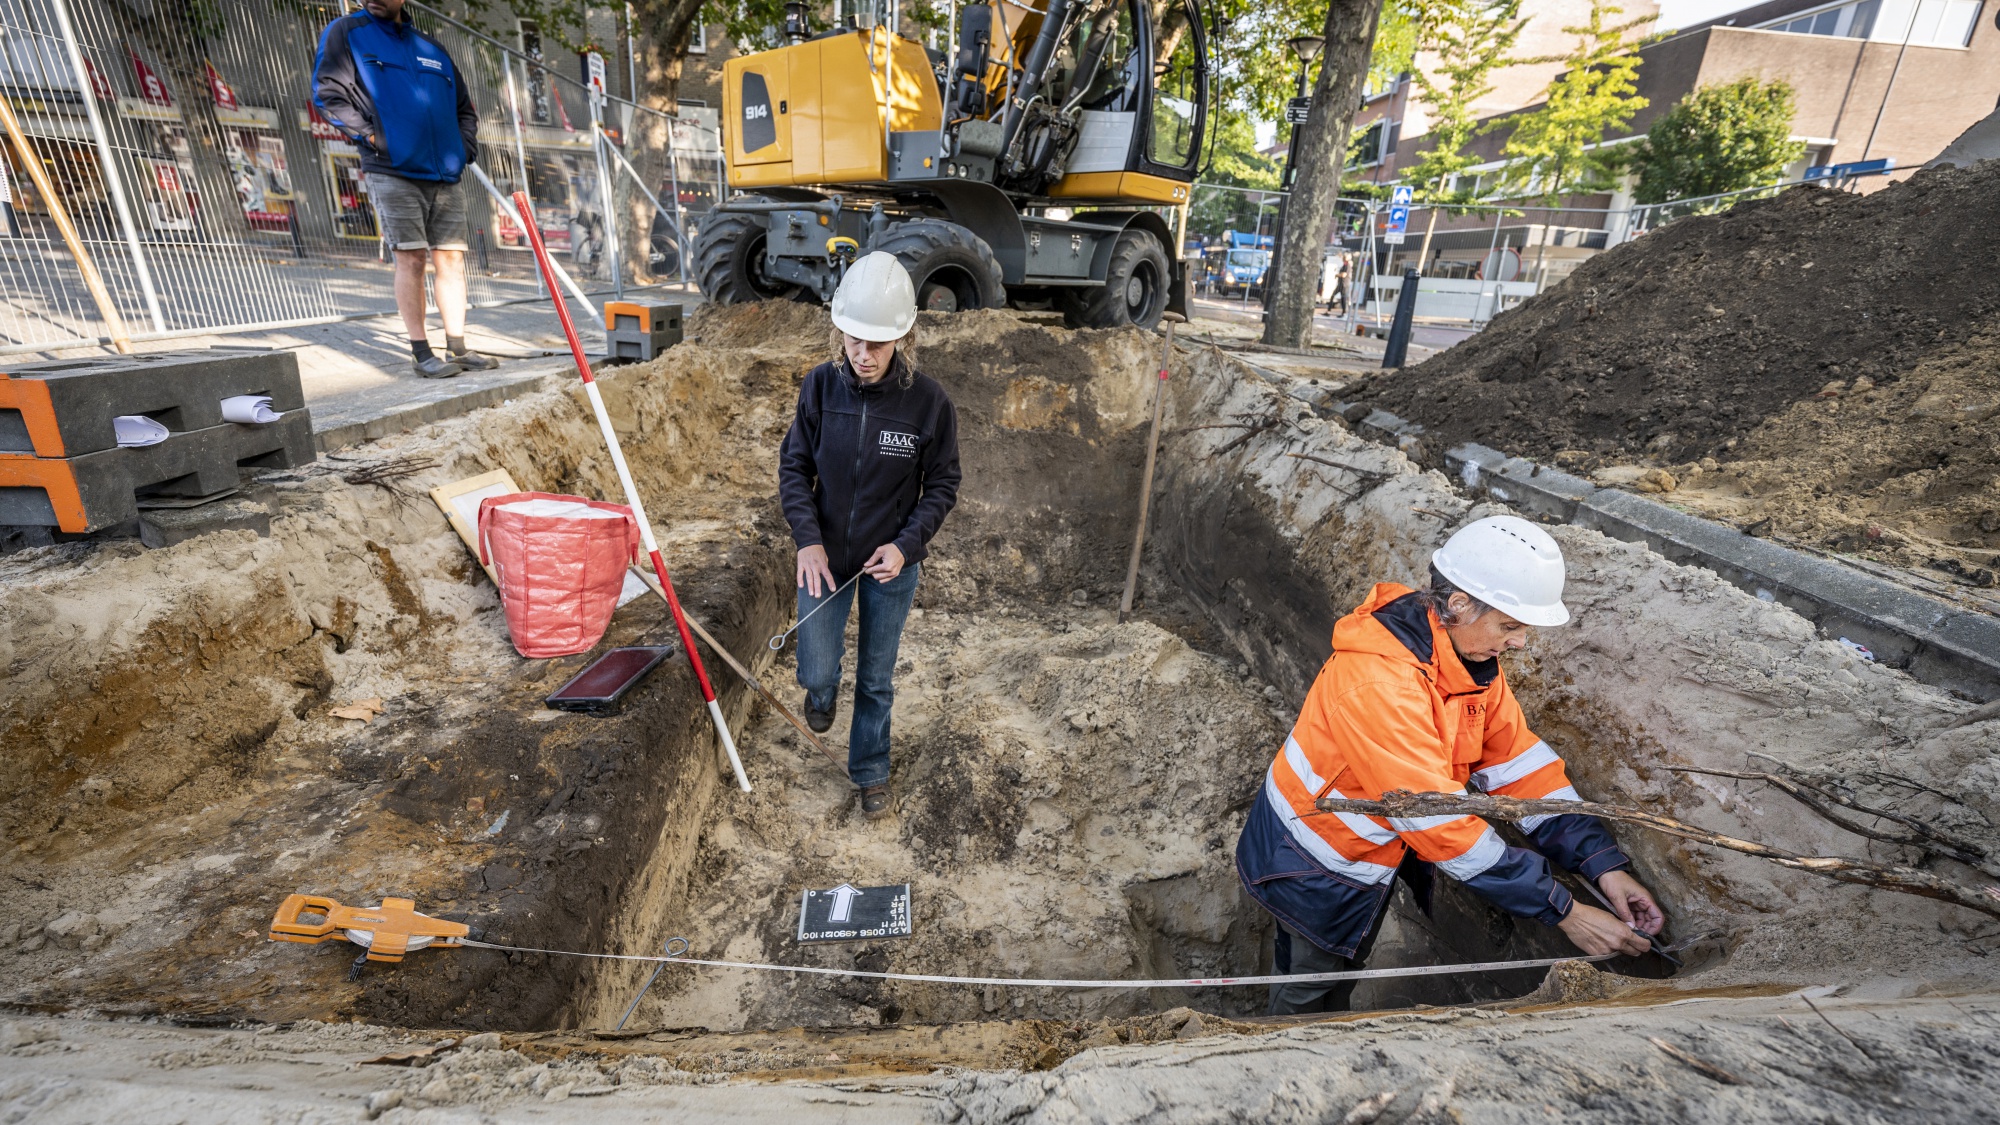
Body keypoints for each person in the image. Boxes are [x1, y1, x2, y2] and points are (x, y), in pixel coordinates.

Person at [1236, 515, 1665, 1015]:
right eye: (1509, 625)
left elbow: (1520, 770)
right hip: (1314, 860)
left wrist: (1604, 866)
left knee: (1331, 977)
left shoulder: (1469, 666)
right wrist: (1563, 910)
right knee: (1313, 989)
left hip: (1361, 848)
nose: (1520, 642)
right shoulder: (1380, 683)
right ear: (1458, 605)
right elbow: (1436, 821)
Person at [778, 253, 962, 818]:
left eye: (876, 345)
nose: (863, 355)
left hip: (891, 566)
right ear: (840, 331)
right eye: (854, 340)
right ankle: (821, 689)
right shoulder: (820, 387)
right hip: (825, 558)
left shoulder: (928, 403)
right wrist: (807, 539)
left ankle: (870, 770)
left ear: (902, 338)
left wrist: (906, 546)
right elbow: (793, 468)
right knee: (817, 669)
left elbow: (944, 483)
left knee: (876, 678)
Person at [313, 0, 497, 379]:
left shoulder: (432, 49)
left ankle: (457, 347)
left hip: (443, 173)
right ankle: (421, 351)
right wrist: (374, 138)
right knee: (411, 259)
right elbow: (328, 95)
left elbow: (465, 108)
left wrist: (462, 150)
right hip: (393, 169)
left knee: (452, 259)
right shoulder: (347, 33)